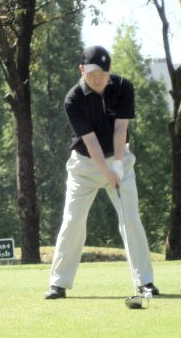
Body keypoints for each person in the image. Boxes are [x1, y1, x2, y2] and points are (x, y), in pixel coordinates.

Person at [44, 45, 159, 300]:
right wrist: (107, 172)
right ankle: (58, 283)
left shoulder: (123, 88)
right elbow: (90, 141)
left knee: (131, 218)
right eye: (92, 74)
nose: (98, 79)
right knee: (73, 220)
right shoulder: (73, 98)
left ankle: (145, 282)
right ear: (82, 70)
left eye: (103, 74)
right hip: (84, 166)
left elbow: (120, 130)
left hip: (120, 160)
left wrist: (117, 165)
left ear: (110, 70)